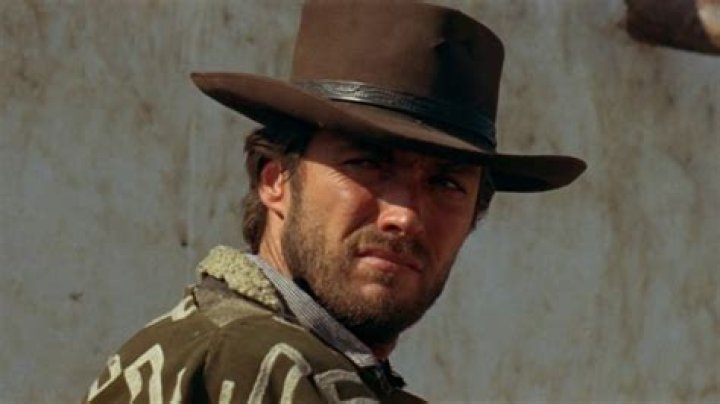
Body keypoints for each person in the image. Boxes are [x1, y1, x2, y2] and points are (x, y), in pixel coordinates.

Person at [84, 1, 586, 403]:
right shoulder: (249, 362)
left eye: (446, 184)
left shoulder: (306, 370)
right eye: (367, 163)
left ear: (476, 215)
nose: (405, 215)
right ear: (275, 179)